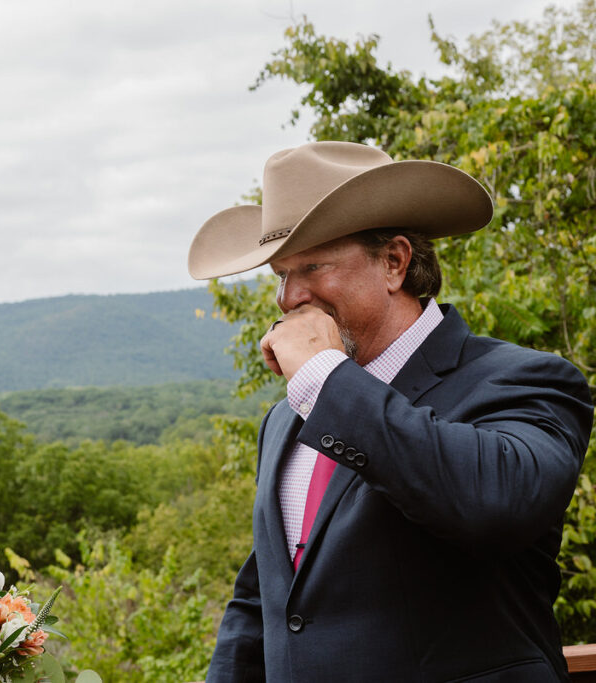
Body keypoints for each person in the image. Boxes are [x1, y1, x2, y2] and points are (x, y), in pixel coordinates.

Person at [188, 141, 594, 682]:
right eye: (281, 275)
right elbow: (264, 597)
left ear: (395, 262)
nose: (288, 297)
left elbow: (497, 501)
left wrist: (326, 378)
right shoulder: (287, 418)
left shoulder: (524, 379)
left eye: (312, 266)